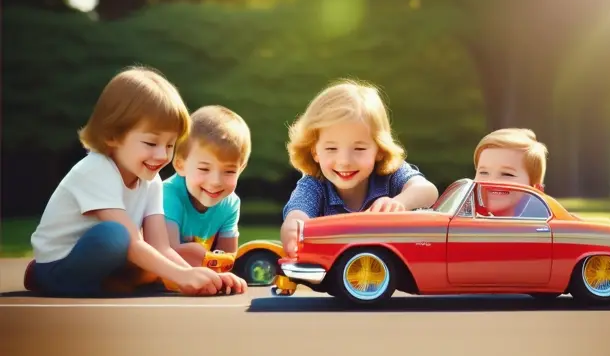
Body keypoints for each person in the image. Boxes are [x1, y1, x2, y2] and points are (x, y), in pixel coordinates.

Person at [25, 66, 244, 297]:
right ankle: (53, 280)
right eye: (151, 144)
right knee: (115, 235)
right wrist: (182, 277)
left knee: (154, 262)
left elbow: (160, 247)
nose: (162, 156)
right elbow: (130, 243)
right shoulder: (96, 170)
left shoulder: (152, 182)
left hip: (108, 261)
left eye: (170, 145)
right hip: (59, 265)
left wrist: (203, 275)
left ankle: (113, 283)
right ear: (113, 135)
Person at [281, 79, 439, 257]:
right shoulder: (314, 185)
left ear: (379, 149)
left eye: (359, 149)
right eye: (331, 148)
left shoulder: (390, 175)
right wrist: (294, 230)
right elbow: (297, 215)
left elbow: (427, 190)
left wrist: (399, 203)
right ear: (315, 151)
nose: (345, 161)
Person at [162, 105, 250, 292]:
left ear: (241, 169)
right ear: (180, 164)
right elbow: (167, 252)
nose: (216, 182)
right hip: (154, 276)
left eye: (229, 171)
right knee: (195, 251)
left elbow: (227, 259)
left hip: (196, 274)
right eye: (204, 169)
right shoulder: (167, 195)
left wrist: (224, 277)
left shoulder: (230, 203)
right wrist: (207, 267)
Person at [472, 127, 549, 217]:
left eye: (506, 174)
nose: (491, 181)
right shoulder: (462, 218)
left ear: (536, 188)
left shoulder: (532, 226)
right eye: (483, 172)